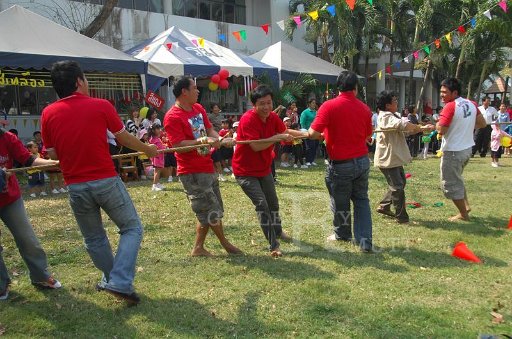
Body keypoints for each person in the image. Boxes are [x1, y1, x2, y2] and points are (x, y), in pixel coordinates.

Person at [41, 60, 158, 305]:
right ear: (79, 82)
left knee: (94, 239)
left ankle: (112, 280)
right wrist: (148, 149)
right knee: (132, 228)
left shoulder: (47, 114)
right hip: (104, 179)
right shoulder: (100, 105)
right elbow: (123, 137)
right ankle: (119, 281)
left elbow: (51, 154)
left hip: (75, 185)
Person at [164, 77, 241, 257]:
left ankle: (198, 248)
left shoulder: (198, 109)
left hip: (207, 166)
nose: (198, 91)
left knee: (209, 208)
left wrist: (220, 140)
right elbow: (177, 144)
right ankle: (225, 244)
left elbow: (209, 129)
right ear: (184, 91)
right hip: (191, 171)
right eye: (195, 88)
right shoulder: (172, 116)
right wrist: (200, 141)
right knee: (210, 208)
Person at [232, 85, 306, 257]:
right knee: (262, 204)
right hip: (245, 171)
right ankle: (274, 245)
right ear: (254, 105)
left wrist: (307, 134)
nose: (266, 107)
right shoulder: (247, 119)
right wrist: (277, 138)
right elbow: (256, 145)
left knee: (273, 203)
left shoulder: (272, 117)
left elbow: (285, 131)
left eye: (269, 103)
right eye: (261, 104)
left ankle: (278, 231)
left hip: (264, 168)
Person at [307, 71, 373, 252]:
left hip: (340, 163)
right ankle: (365, 241)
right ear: (356, 89)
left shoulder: (328, 106)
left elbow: (312, 134)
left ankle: (342, 234)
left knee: (340, 201)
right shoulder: (365, 108)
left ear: (338, 88)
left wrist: (325, 134)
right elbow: (368, 134)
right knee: (361, 200)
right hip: (362, 161)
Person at [1, 128, 62, 301]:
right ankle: (1, 285)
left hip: (10, 199)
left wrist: (56, 163)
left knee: (27, 239)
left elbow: (29, 159)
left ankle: (40, 277)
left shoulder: (7, 138)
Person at [374, 91, 434, 224]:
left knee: (400, 182)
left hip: (394, 157)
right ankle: (401, 217)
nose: (397, 102)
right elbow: (403, 125)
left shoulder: (392, 115)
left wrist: (421, 128)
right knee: (397, 187)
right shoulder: (385, 116)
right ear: (388, 105)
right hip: (388, 158)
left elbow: (406, 129)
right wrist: (421, 127)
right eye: (394, 101)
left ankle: (384, 206)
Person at [436, 78, 486, 221]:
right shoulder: (472, 103)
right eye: (441, 92)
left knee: (451, 183)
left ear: (455, 92)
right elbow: (482, 123)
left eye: (445, 92)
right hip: (466, 150)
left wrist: (437, 124)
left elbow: (442, 129)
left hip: (453, 151)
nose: (441, 95)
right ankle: (466, 206)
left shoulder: (450, 106)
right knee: (457, 179)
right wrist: (465, 126)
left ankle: (463, 214)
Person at [300, 99, 319, 166]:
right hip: (308, 132)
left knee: (315, 146)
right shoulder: (305, 112)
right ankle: (308, 160)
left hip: (316, 132)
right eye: (313, 103)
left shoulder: (316, 112)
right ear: (309, 104)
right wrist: (305, 131)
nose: (314, 104)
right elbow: (302, 123)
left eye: (315, 103)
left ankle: (312, 160)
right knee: (309, 146)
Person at [148, 124, 166, 191]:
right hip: (157, 157)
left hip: (159, 157)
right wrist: (164, 147)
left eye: (160, 128)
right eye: (158, 129)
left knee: (158, 170)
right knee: (157, 171)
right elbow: (158, 147)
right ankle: (154, 185)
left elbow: (160, 146)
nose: (160, 130)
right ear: (153, 130)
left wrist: (164, 147)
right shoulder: (153, 139)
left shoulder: (156, 138)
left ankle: (157, 183)